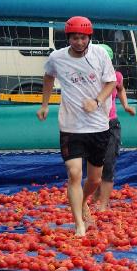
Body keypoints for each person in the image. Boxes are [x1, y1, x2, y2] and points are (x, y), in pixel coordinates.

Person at [36, 16, 117, 237]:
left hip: (98, 125)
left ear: (89, 38)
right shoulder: (57, 57)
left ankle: (82, 201)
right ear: (68, 38)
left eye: (82, 38)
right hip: (71, 126)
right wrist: (44, 104)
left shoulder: (99, 54)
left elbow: (111, 82)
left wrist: (97, 101)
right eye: (74, 38)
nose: (79, 42)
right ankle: (79, 224)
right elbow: (48, 76)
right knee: (73, 174)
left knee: (95, 179)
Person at [92, 44, 136, 211]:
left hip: (111, 124)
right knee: (96, 164)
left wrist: (125, 105)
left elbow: (121, 89)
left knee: (109, 162)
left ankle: (103, 204)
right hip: (94, 125)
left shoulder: (116, 76)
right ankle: (96, 192)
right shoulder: (90, 78)